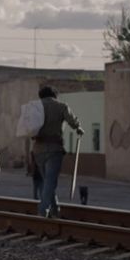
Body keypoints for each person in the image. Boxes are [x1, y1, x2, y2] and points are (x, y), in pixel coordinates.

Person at [31, 85, 83, 218]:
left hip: (38, 149)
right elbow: (72, 121)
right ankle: (43, 211)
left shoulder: (35, 107)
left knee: (47, 181)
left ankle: (55, 210)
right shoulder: (61, 106)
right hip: (54, 149)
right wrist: (78, 128)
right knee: (50, 181)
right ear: (55, 95)